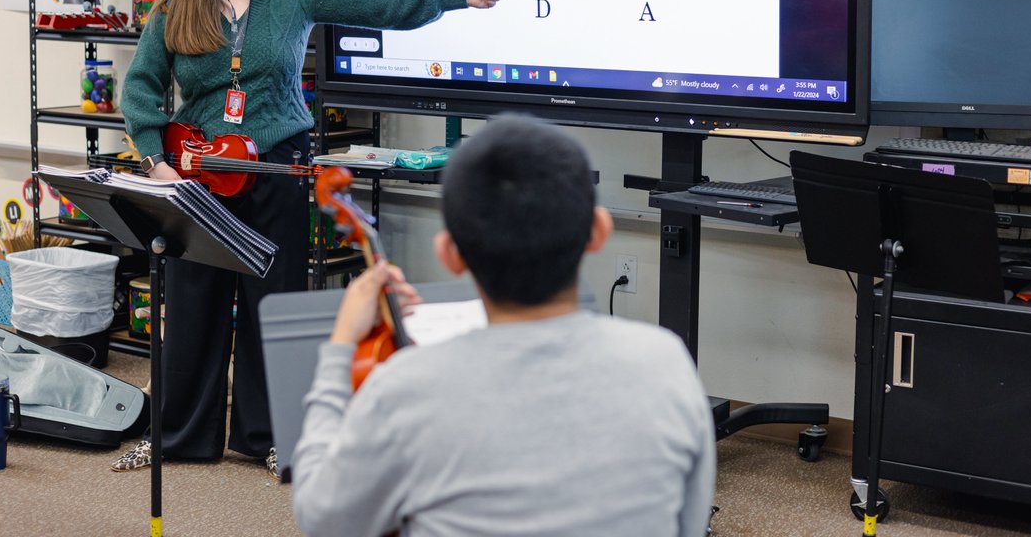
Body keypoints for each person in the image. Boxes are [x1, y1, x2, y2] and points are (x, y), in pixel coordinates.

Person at [111, 0, 515, 474]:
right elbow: (141, 87)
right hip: (198, 175)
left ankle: (270, 436)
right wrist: (156, 158)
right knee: (194, 301)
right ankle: (178, 435)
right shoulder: (176, 3)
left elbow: (377, 2)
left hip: (275, 164)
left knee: (272, 302)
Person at [291, 115, 717, 536]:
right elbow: (689, 523)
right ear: (598, 231)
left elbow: (323, 518)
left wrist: (341, 347)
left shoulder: (403, 389)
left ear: (449, 253)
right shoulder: (666, 363)